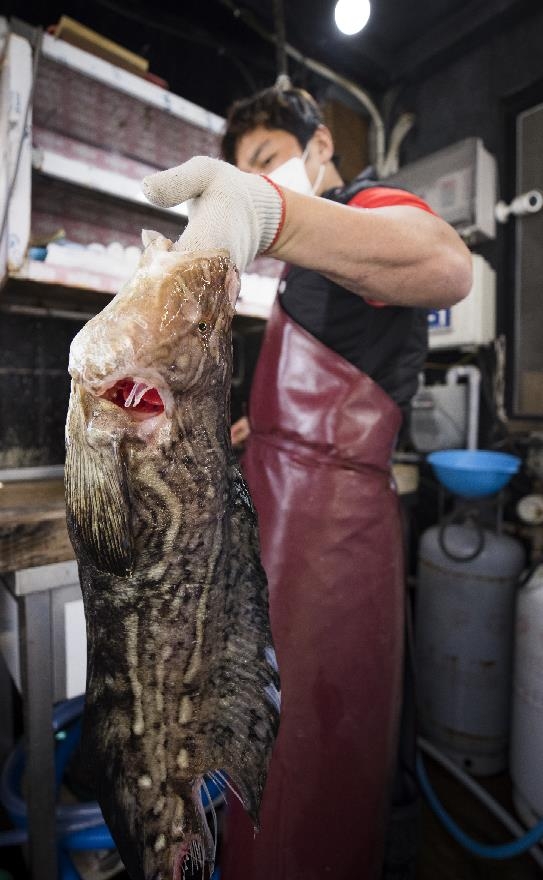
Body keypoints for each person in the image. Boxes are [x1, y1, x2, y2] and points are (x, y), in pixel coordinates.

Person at [142, 83, 472, 880]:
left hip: (333, 544)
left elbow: (444, 264)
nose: (259, 177)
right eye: (245, 171)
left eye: (266, 160)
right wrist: (259, 429)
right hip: (277, 528)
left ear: (321, 146)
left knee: (313, 776)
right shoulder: (307, 265)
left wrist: (269, 210)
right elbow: (328, 379)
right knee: (265, 756)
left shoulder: (364, 208)